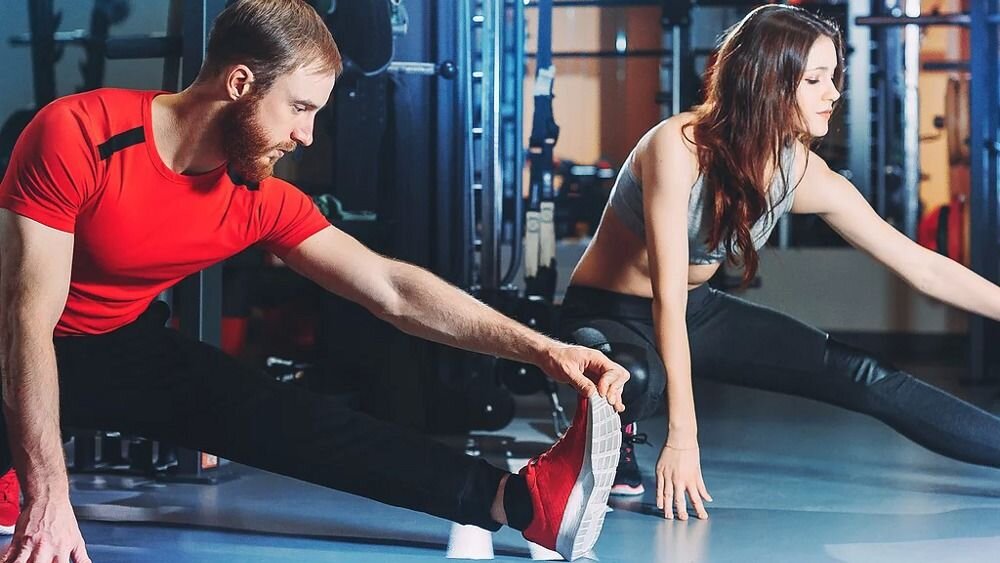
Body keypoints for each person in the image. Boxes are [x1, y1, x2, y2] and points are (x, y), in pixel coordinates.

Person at [0, 1, 631, 561]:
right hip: (14, 340)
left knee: (273, 413)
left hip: (112, 346)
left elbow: (392, 289)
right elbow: (25, 321)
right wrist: (48, 493)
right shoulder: (79, 134)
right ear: (240, 82)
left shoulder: (258, 197)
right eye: (299, 108)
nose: (305, 135)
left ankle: (514, 502)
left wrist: (547, 351)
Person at [560, 3, 1000, 522]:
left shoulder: (801, 172)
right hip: (609, 312)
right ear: (767, 81)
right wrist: (683, 436)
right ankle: (618, 439)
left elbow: (922, 267)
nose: (834, 92)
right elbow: (667, 300)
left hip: (696, 310)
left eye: (833, 77)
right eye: (815, 79)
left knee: (864, 374)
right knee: (633, 375)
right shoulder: (677, 148)